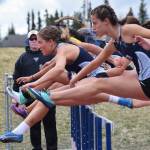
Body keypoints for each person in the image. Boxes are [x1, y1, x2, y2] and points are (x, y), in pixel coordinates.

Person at [0, 24, 143, 143]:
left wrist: (33, 83)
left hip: (95, 82)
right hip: (86, 81)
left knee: (52, 86)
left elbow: (60, 67)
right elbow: (51, 67)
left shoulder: (66, 47)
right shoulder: (60, 50)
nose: (38, 45)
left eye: (40, 42)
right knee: (48, 95)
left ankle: (26, 105)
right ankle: (20, 126)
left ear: (51, 41)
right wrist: (32, 78)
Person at [10, 30, 57, 150]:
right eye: (32, 39)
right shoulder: (22, 58)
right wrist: (15, 97)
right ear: (28, 41)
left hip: (47, 93)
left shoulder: (48, 54)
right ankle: (36, 147)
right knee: (33, 124)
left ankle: (52, 148)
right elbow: (17, 79)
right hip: (29, 96)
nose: (34, 42)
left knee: (50, 123)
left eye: (37, 39)